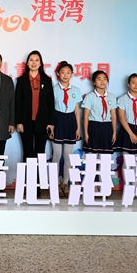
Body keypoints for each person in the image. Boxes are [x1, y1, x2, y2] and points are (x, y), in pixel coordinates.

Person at [15, 50, 56, 161]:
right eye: (31, 60)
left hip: (43, 121)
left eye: (37, 60)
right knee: (27, 151)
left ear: (40, 63)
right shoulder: (21, 80)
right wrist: (18, 122)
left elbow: (51, 103)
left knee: (40, 152)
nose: (34, 62)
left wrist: (51, 123)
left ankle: (39, 173)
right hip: (25, 121)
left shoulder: (47, 80)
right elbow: (18, 102)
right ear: (27, 63)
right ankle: (28, 173)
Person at [50, 61, 82, 197]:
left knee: (68, 155)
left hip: (70, 121)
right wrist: (50, 126)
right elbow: (50, 108)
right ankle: (55, 182)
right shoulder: (53, 89)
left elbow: (77, 111)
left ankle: (65, 182)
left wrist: (78, 128)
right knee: (57, 154)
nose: (65, 75)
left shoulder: (76, 91)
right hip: (57, 120)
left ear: (72, 74)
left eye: (68, 72)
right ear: (58, 74)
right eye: (62, 72)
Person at [82, 71, 117, 154]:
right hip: (94, 127)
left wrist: (114, 132)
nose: (102, 81)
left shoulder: (112, 97)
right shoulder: (89, 97)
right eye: (99, 79)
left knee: (106, 156)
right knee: (92, 155)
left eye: (104, 79)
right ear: (94, 82)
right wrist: (86, 134)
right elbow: (86, 117)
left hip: (107, 127)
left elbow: (113, 116)